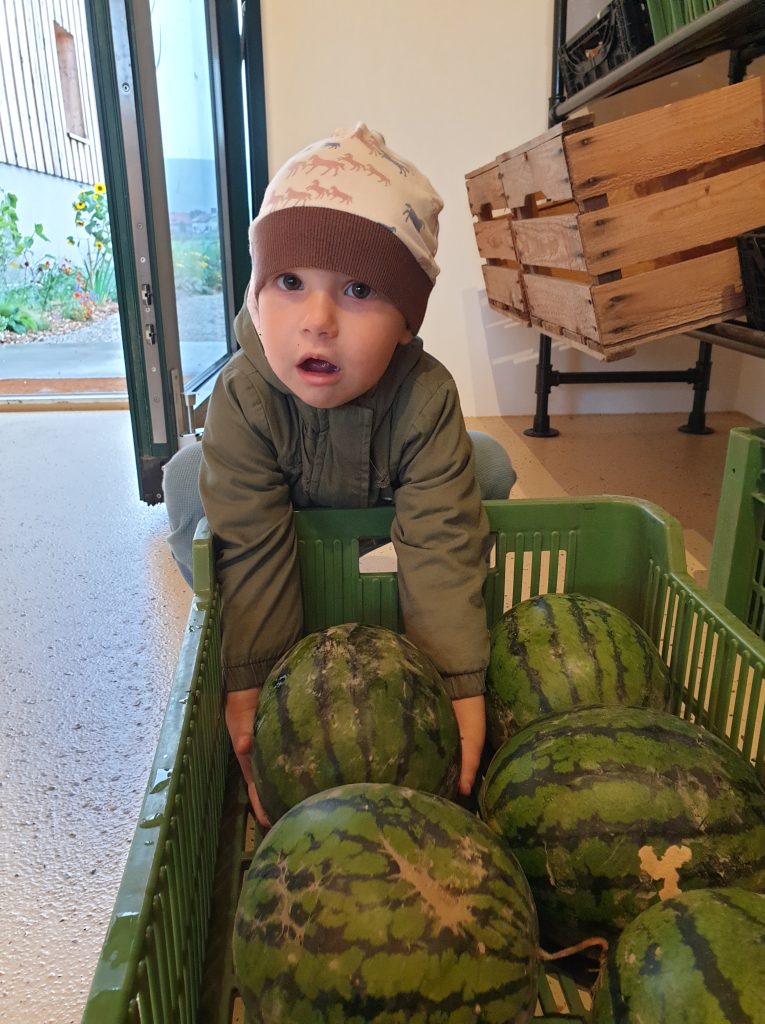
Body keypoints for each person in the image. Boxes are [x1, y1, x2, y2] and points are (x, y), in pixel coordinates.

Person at [162, 124, 516, 827]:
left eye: (358, 289)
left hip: (384, 510)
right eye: (289, 283)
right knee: (186, 478)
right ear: (258, 299)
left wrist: (456, 678)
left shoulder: (425, 393)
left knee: (488, 463)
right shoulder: (244, 393)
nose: (317, 321)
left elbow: (444, 538)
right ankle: (242, 617)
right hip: (279, 520)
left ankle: (366, 588)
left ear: (406, 324)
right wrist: (254, 678)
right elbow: (253, 545)